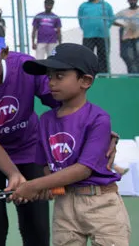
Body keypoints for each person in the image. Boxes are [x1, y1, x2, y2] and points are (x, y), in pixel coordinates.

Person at [0, 7, 119, 246]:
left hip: (29, 147)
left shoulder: (26, 68)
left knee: (36, 224)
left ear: (5, 52)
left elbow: (66, 109)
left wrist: (96, 131)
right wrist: (13, 174)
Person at [13, 43, 131, 246]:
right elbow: (45, 165)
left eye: (60, 76)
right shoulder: (45, 120)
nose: (51, 82)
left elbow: (83, 170)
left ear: (85, 81)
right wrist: (45, 187)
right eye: (49, 76)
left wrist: (33, 186)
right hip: (64, 206)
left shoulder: (99, 119)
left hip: (101, 204)